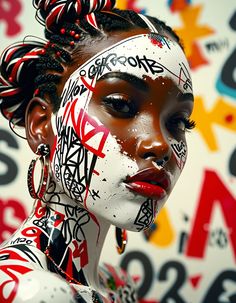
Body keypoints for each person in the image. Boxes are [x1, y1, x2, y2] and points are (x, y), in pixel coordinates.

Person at [0, 0, 195, 302]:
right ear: (42, 124)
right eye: (120, 105)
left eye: (179, 122)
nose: (160, 144)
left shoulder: (119, 287)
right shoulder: (32, 292)